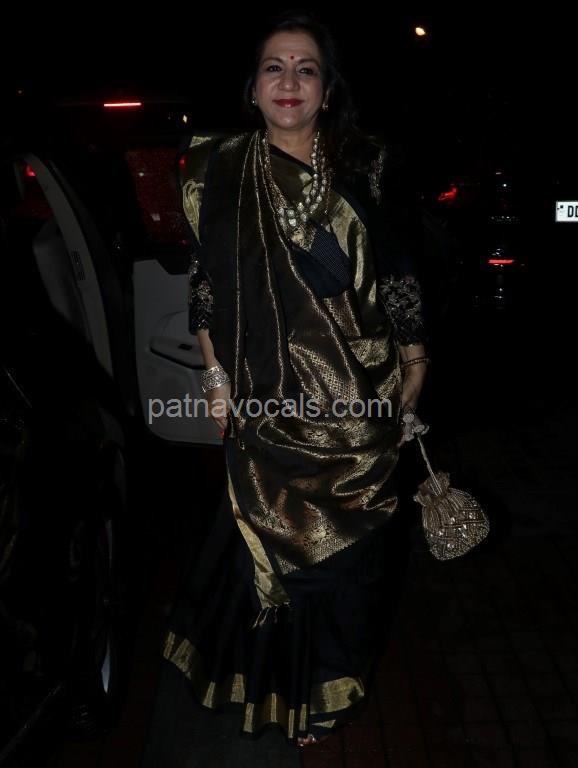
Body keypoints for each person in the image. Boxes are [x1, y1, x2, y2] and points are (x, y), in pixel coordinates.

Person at [162, 11, 428, 748]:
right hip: (265, 400)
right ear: (251, 88)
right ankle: (282, 688)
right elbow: (207, 284)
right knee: (267, 549)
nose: (289, 81)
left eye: (306, 68)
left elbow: (398, 269)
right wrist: (215, 378)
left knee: (353, 561)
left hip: (357, 397)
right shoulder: (216, 171)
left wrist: (415, 362)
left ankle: (335, 683)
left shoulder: (365, 165)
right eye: (274, 67)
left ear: (327, 90)